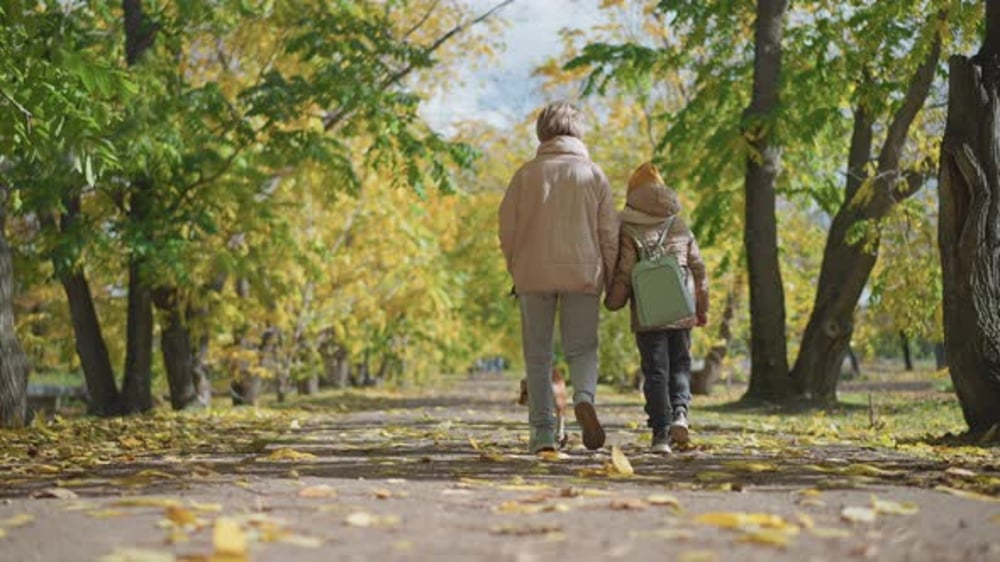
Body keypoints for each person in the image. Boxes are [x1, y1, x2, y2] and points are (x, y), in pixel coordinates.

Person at [499, 101, 619, 454]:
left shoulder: (525, 175)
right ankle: (583, 397)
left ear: (542, 132)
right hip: (583, 271)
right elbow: (609, 232)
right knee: (582, 349)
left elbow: (507, 229)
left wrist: (516, 266)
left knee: (538, 355)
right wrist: (611, 277)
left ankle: (543, 433)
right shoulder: (593, 174)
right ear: (578, 132)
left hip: (532, 273)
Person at [604, 162, 709, 454]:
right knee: (681, 364)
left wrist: (613, 301)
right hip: (682, 306)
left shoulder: (629, 227)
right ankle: (680, 414)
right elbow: (699, 269)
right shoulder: (679, 224)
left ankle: (661, 434)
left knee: (655, 370)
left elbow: (625, 272)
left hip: (649, 312)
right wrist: (703, 307)